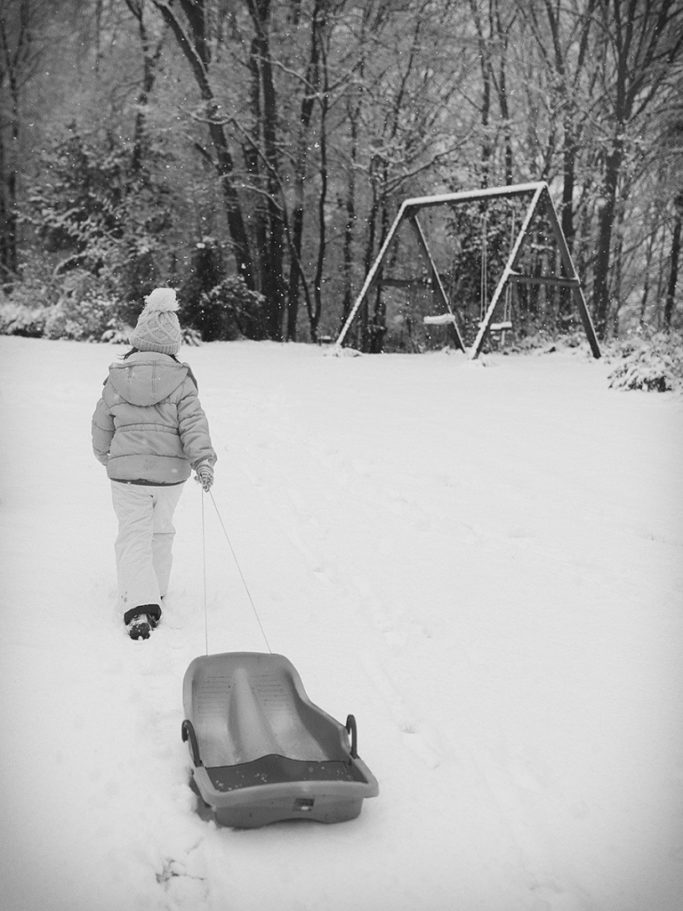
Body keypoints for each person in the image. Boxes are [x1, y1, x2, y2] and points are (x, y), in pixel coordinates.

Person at [91, 287, 217, 640]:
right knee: (160, 531)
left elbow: (101, 425)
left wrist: (107, 457)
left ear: (138, 338)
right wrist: (202, 460)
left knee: (133, 535)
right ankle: (155, 592)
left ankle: (138, 606)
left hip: (126, 477)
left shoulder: (116, 377)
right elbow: (194, 424)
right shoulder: (182, 381)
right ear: (173, 343)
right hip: (169, 477)